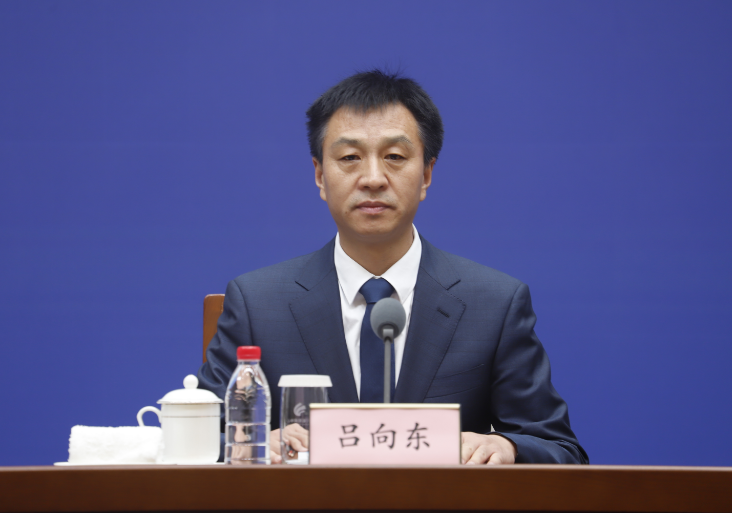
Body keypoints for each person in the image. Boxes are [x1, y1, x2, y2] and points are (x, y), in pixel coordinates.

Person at [198, 70, 589, 465]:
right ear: (320, 175)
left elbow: (560, 450)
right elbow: (195, 441)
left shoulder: (494, 304)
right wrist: (254, 443)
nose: (373, 179)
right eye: (350, 158)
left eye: (395, 157)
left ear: (427, 174)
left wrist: (508, 447)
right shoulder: (258, 304)